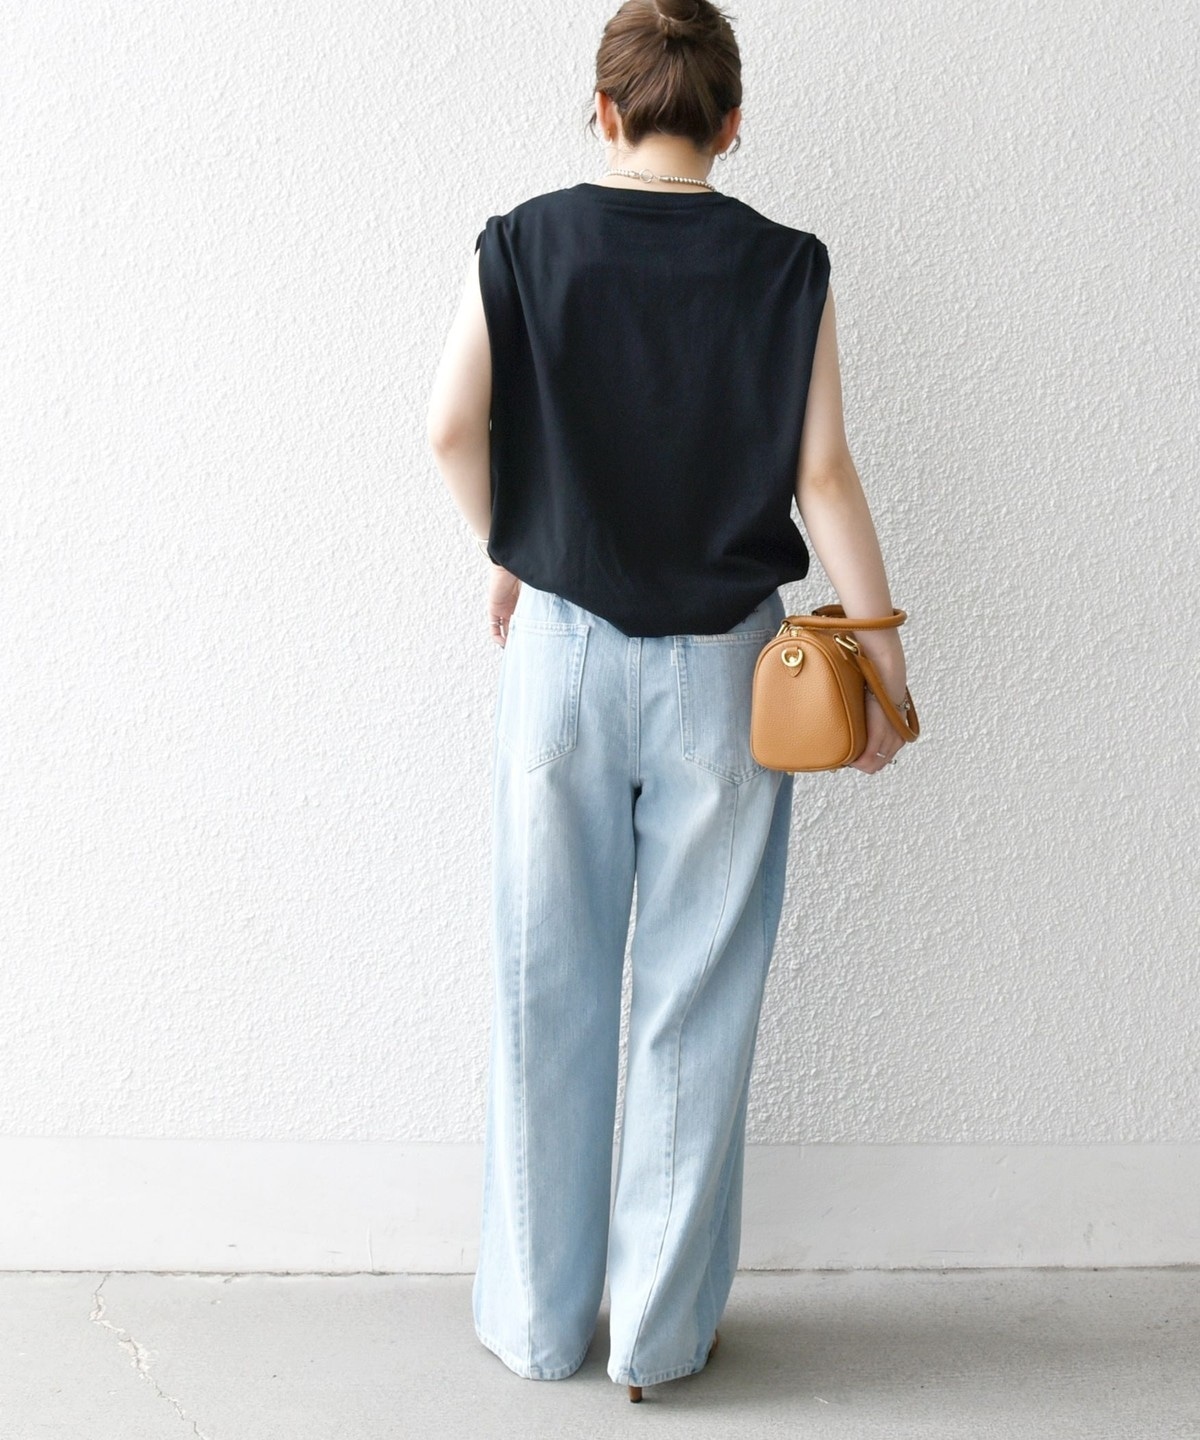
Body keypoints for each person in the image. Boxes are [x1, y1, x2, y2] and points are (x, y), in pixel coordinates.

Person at [425, 0, 912, 1402]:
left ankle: (536, 1325)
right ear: (732, 121)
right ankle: (657, 1338)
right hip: (725, 670)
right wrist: (883, 659)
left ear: (605, 111)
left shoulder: (522, 243)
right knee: (694, 1002)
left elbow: (449, 429)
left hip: (563, 655)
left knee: (546, 984)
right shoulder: (788, 267)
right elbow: (822, 475)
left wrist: (515, 544)